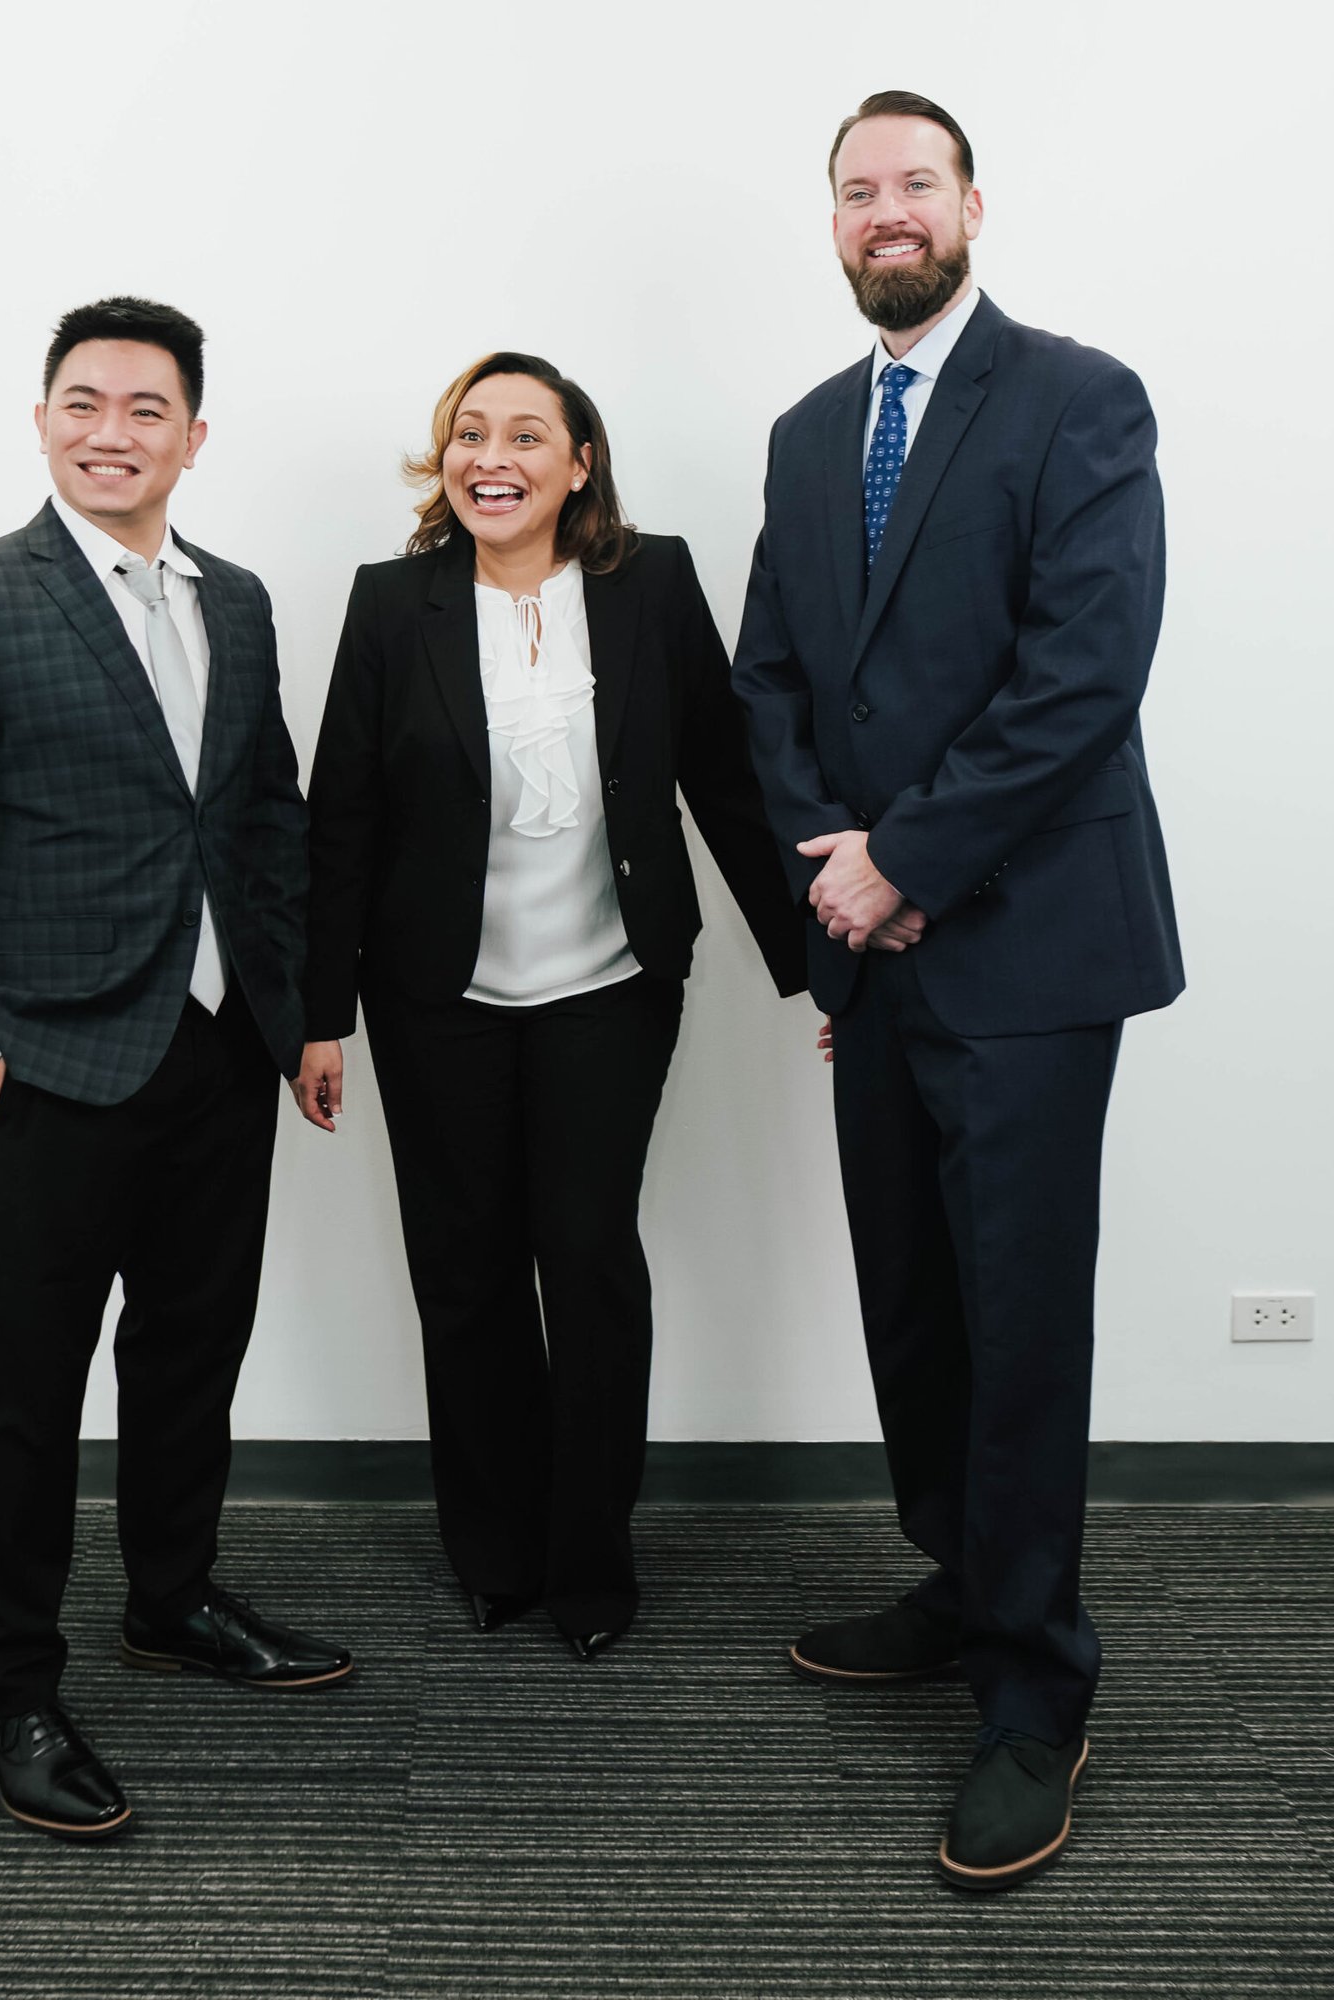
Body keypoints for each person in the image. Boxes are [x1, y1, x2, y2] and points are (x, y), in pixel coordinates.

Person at [733, 95, 1183, 1892]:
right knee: (912, 1299)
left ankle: (1035, 1686)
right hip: (873, 947)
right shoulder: (804, 431)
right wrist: (836, 876)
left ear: (973, 204)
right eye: (858, 191)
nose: (887, 212)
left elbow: (1086, 672)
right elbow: (771, 682)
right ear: (835, 224)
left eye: (915, 183)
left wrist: (903, 859)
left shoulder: (1080, 398)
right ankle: (961, 1577)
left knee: (1018, 1318)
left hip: (1028, 948)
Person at [0, 296, 353, 1842]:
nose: (110, 431)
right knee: (29, 1391)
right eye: (83, 401)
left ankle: (171, 1600)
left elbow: (265, 818)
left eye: (145, 409)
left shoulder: (238, 602)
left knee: (194, 1350)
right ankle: (6, 1688)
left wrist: (300, 1017)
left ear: (194, 436)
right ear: (43, 419)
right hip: (54, 1062)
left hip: (221, 1050)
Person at [293, 350, 804, 1658]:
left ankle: (591, 1559)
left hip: (610, 988)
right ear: (446, 461)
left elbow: (724, 778)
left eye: (528, 434)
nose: (493, 457)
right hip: (436, 996)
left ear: (581, 464)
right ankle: (496, 1551)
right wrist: (319, 1011)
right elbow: (342, 812)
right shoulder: (392, 602)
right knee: (463, 1273)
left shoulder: (652, 585)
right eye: (471, 433)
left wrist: (822, 966)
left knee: (586, 1263)